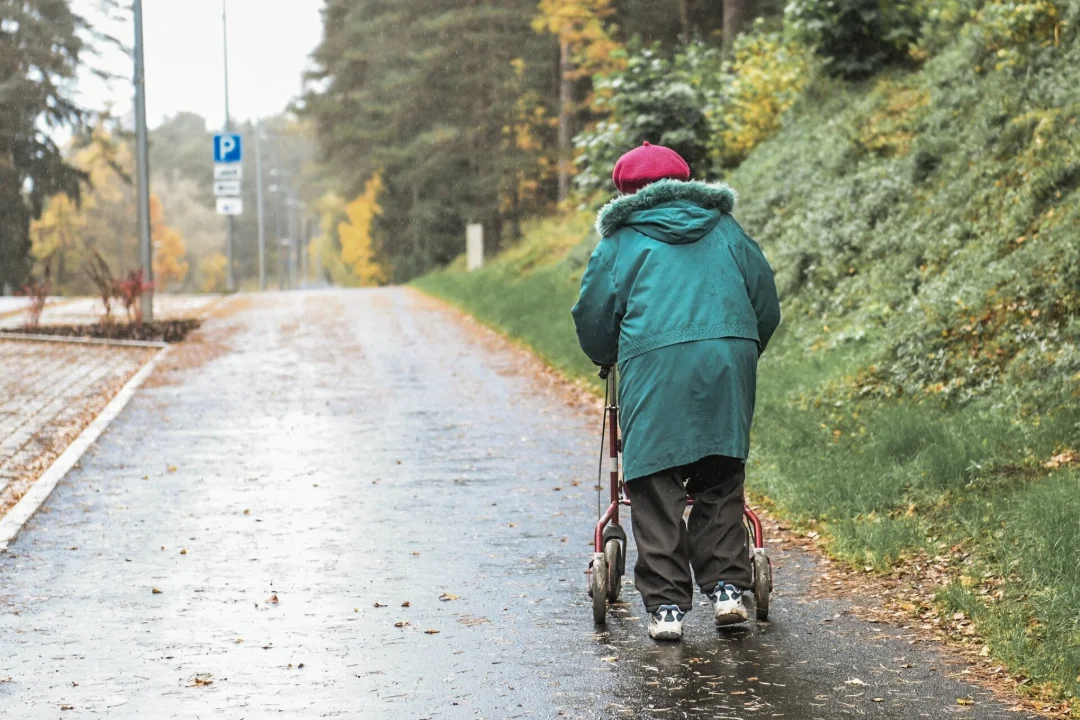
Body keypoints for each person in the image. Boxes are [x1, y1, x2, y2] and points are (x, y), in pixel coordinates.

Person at [571, 142, 781, 641]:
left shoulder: (620, 242)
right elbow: (765, 300)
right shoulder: (725, 228)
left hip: (655, 363)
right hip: (728, 356)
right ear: (684, 182)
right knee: (719, 471)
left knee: (654, 480)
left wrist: (606, 354)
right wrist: (740, 348)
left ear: (625, 192)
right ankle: (728, 589)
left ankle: (667, 608)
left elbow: (594, 317)